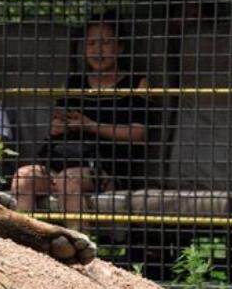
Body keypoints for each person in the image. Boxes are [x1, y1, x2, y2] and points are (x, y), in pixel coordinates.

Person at [11, 15, 150, 214]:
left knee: (68, 181)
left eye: (105, 43)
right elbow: (54, 127)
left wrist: (90, 125)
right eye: (91, 43)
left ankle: (74, 235)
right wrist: (59, 126)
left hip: (107, 168)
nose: (97, 50)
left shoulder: (137, 83)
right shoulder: (73, 83)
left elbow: (139, 134)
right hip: (62, 162)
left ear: (120, 47)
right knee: (23, 178)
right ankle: (23, 232)